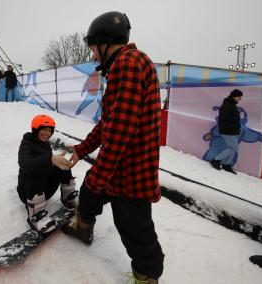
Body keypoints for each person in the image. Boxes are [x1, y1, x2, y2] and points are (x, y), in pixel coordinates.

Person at [61, 11, 164, 284]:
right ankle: (83, 228)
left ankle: (147, 277)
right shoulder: (130, 62)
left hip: (131, 170)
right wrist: (82, 149)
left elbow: (119, 133)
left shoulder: (127, 65)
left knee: (134, 228)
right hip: (122, 164)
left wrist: (100, 175)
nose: (94, 56)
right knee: (90, 190)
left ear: (105, 42)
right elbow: (110, 122)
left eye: (94, 48)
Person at [17, 114, 78, 234]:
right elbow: (25, 164)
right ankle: (36, 216)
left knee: (62, 166)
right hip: (28, 193)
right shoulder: (26, 144)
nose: (47, 133)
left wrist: (56, 162)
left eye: (49, 131)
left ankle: (69, 198)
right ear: (36, 129)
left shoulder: (46, 144)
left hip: (44, 191)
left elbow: (49, 164)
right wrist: (50, 159)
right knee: (37, 170)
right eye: (44, 129)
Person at [209, 89, 244, 174]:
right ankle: (215, 160)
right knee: (233, 148)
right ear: (234, 96)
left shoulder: (232, 105)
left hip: (231, 131)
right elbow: (223, 120)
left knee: (234, 148)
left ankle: (226, 164)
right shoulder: (227, 105)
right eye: (239, 96)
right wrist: (232, 127)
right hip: (227, 131)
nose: (240, 98)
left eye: (241, 97)